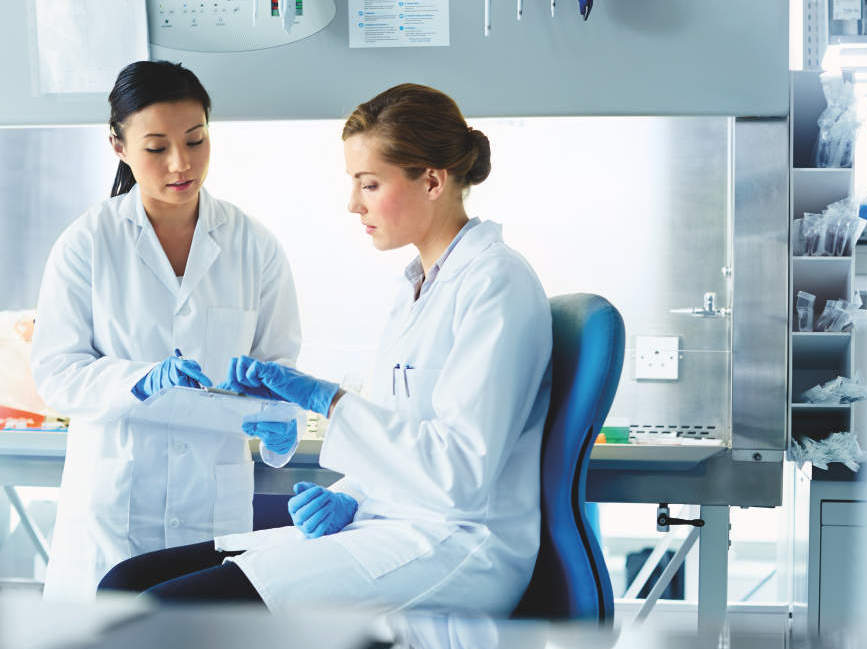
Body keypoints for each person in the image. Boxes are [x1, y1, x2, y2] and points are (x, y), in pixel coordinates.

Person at [99, 83, 552, 616]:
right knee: (125, 584)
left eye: (369, 184)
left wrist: (328, 400)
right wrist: (350, 497)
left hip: (458, 544)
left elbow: (461, 475)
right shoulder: (417, 288)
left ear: (432, 180)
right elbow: (400, 438)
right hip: (391, 522)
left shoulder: (495, 283)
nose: (353, 203)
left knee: (164, 612)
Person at [31, 61, 303, 602]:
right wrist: (139, 380)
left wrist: (281, 425)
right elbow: (55, 373)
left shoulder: (254, 245)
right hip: (112, 511)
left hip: (212, 507)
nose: (181, 163)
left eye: (195, 140)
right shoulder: (88, 242)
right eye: (156, 147)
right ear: (119, 145)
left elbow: (281, 372)